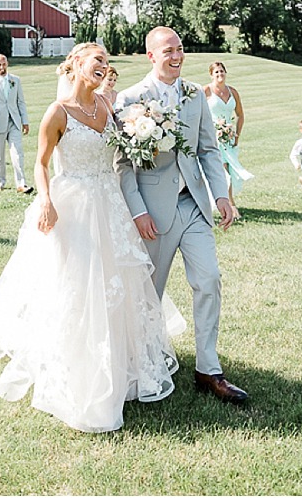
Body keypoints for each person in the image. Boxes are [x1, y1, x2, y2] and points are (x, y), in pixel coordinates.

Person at [0, 43, 179, 433]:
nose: (104, 67)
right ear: (76, 65)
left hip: (109, 205)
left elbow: (122, 159)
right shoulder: (57, 113)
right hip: (73, 206)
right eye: (98, 61)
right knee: (77, 285)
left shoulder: (108, 110)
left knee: (118, 286)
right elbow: (41, 163)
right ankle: (76, 366)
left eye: (107, 63)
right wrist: (45, 200)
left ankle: (122, 366)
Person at [115, 26, 248, 405]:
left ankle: (209, 369)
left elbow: (207, 149)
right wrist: (138, 212)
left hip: (194, 205)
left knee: (209, 279)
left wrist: (221, 196)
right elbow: (122, 166)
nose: (177, 56)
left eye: (181, 49)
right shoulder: (130, 98)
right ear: (151, 56)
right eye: (169, 50)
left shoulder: (194, 94)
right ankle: (143, 364)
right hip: (153, 214)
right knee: (148, 294)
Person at [204, 60, 253, 220]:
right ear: (211, 75)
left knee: (230, 170)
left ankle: (225, 203)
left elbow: (240, 114)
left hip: (228, 139)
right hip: (212, 138)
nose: (220, 74)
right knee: (223, 172)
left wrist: (236, 135)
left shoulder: (233, 92)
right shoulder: (206, 91)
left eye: (222, 71)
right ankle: (230, 205)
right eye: (216, 72)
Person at [0, 54, 33, 193]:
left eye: (4, 64)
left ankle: (21, 183)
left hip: (14, 121)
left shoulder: (15, 80)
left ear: (7, 64)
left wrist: (25, 121)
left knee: (17, 153)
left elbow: (20, 101)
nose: (2, 67)